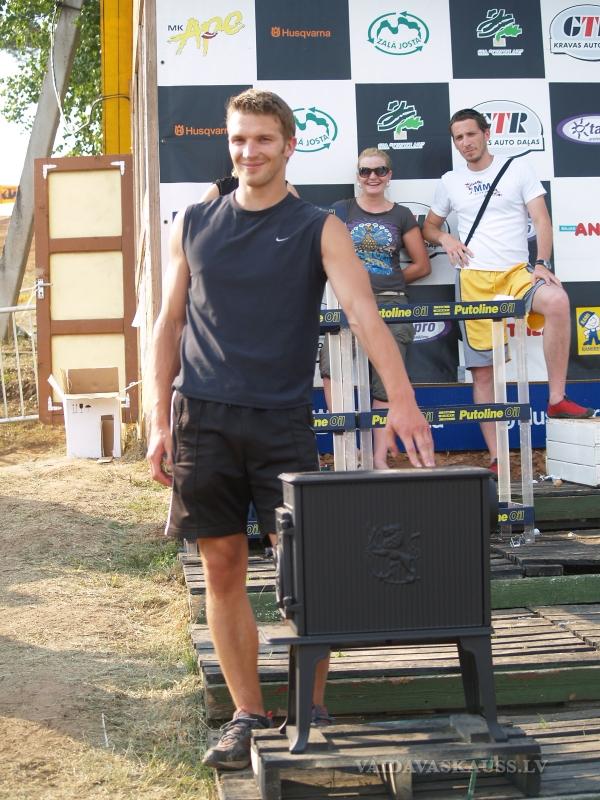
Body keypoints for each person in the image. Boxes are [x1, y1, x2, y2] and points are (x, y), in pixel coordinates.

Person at [147, 88, 435, 771]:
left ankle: (311, 708)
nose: (249, 151)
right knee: (221, 567)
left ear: (289, 145)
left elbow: (364, 315)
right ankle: (247, 714)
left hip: (281, 421)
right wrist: (158, 420)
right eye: (238, 139)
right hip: (202, 419)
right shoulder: (193, 221)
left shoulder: (319, 226)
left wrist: (402, 399)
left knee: (306, 573)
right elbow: (168, 323)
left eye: (263, 140)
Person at [423, 108, 593, 474]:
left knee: (557, 301)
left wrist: (542, 262)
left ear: (487, 134)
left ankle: (557, 397)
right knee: (483, 373)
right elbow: (430, 227)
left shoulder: (518, 168)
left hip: (516, 272)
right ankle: (497, 456)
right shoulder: (450, 181)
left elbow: (541, 219)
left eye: (471, 134)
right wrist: (445, 238)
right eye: (458, 138)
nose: (465, 143)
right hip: (473, 278)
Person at [320, 148, 431, 468]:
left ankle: (378, 458)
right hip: (346, 302)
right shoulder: (340, 210)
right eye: (365, 171)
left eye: (380, 170)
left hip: (391, 302)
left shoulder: (402, 214)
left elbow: (422, 265)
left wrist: (388, 280)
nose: (372, 176)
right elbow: (324, 254)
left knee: (386, 381)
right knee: (331, 371)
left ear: (389, 175)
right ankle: (347, 452)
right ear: (357, 176)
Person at [199, 170, 299, 201]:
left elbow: (299, 222)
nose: (250, 153)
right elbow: (198, 219)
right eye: (241, 141)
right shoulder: (221, 188)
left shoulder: (285, 188)